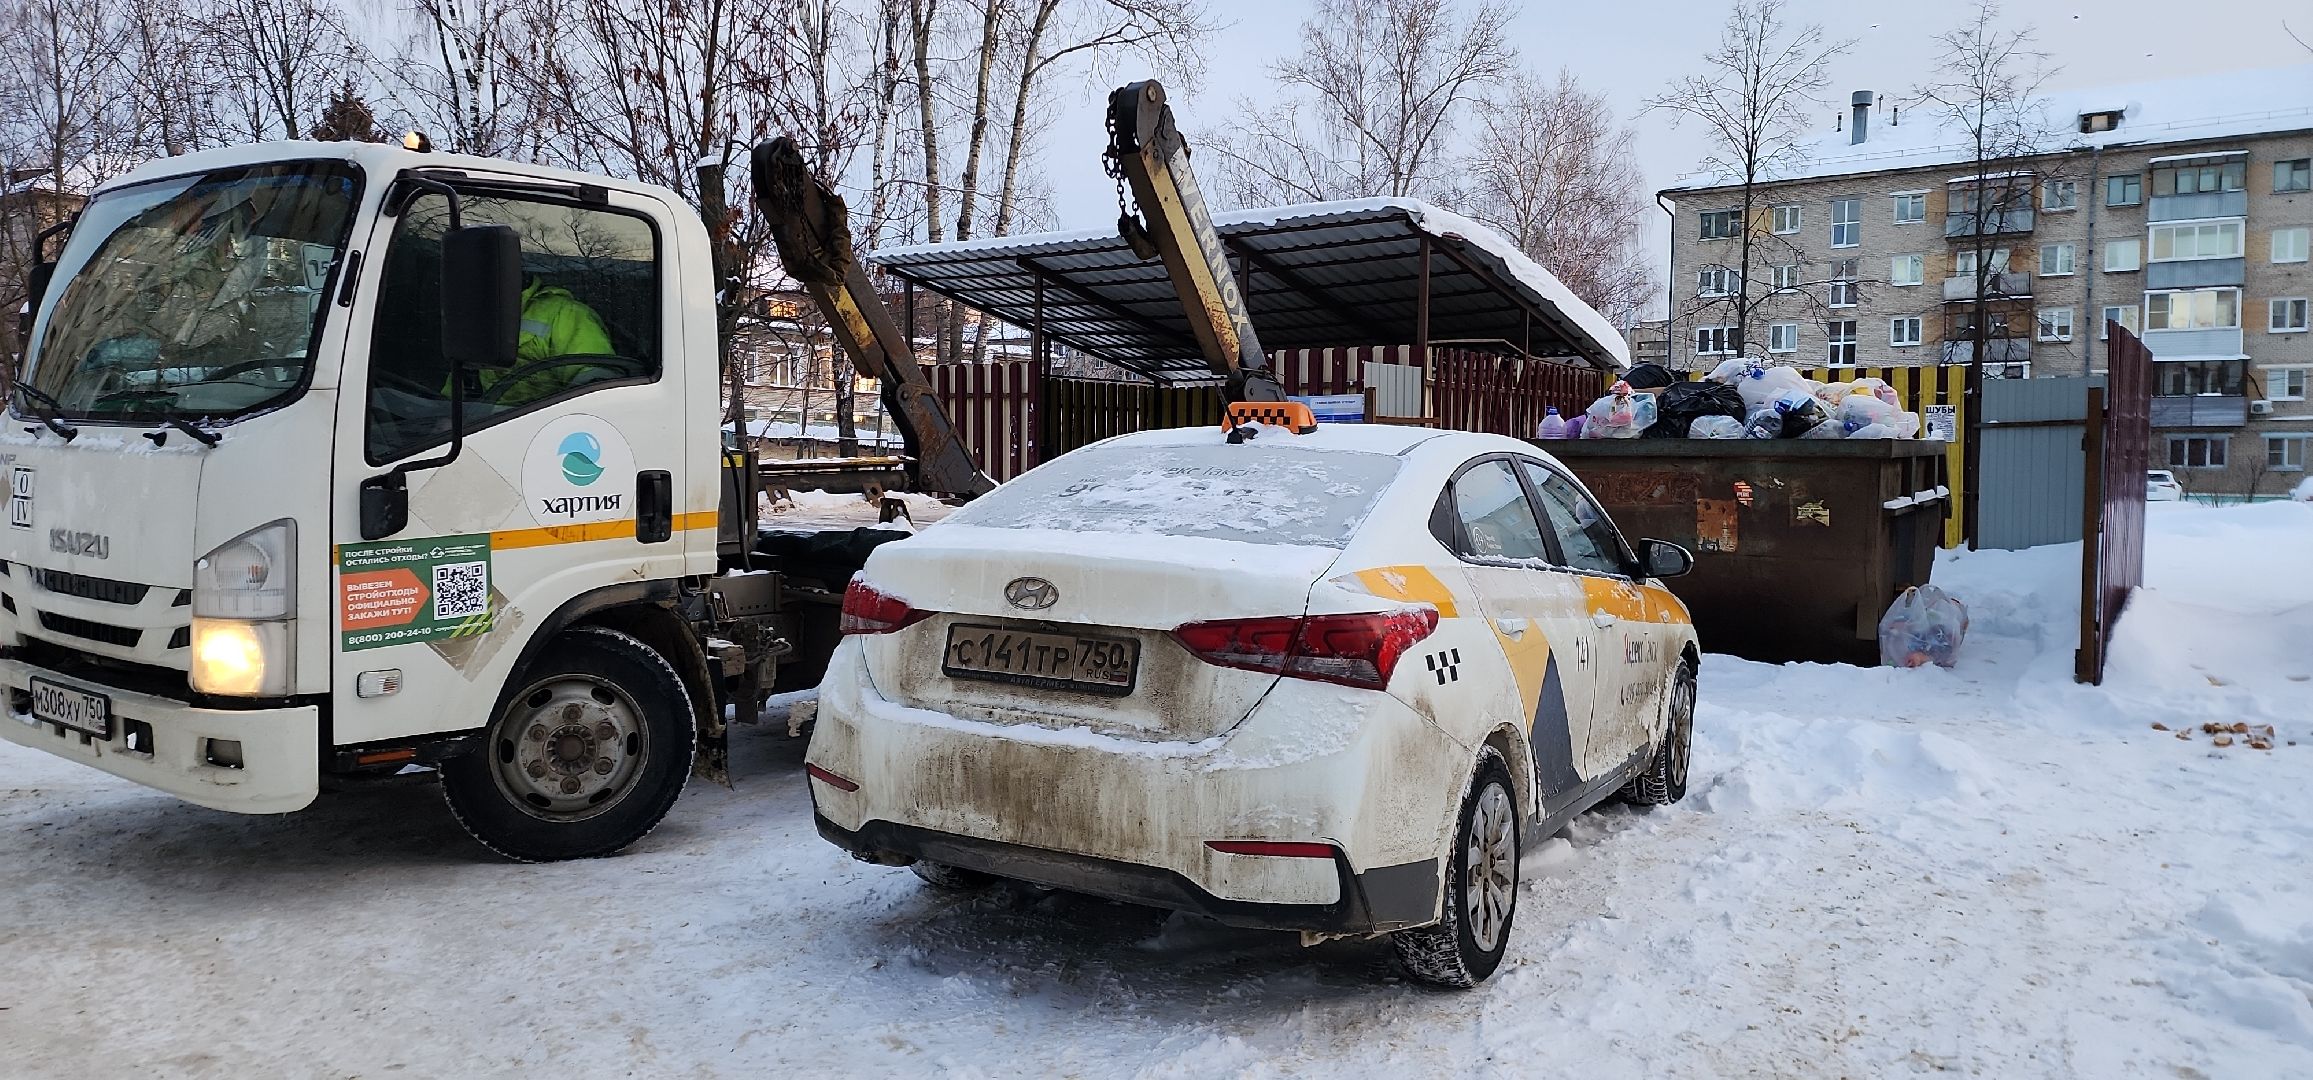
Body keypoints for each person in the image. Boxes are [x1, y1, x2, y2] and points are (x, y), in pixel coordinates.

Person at [468, 278, 614, 405]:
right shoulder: (480, 317)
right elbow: (457, 391)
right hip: (483, 425)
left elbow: (595, 392)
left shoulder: (566, 314)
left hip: (548, 427)